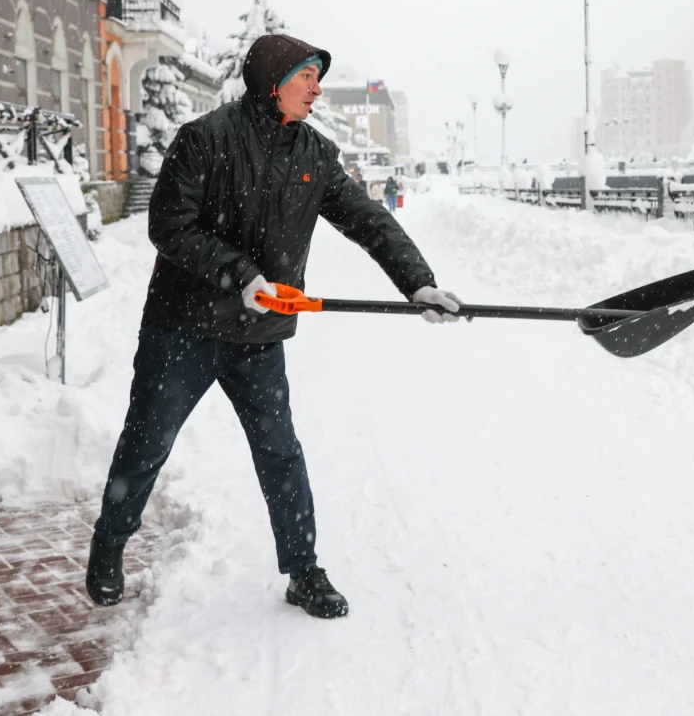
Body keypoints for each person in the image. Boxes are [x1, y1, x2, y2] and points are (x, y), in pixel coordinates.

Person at [85, 34, 463, 619]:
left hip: (256, 337)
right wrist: (241, 274)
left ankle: (303, 570)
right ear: (272, 81)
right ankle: (110, 540)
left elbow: (369, 221)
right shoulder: (206, 138)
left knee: (280, 451)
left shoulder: (314, 154)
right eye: (306, 76)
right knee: (147, 442)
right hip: (182, 328)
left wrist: (418, 284)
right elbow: (169, 225)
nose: (316, 87)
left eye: (317, 77)